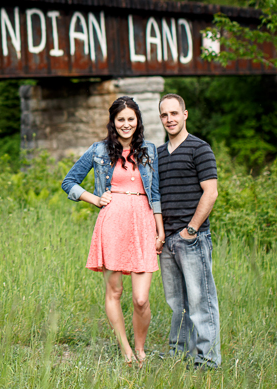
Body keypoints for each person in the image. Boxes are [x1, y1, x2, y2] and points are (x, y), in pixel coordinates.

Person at [62, 96, 165, 367]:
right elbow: (68, 181)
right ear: (113, 122)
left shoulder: (150, 151)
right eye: (121, 119)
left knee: (141, 299)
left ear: (138, 121)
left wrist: (160, 230)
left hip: (142, 222)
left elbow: (155, 194)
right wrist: (94, 199)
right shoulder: (98, 150)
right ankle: (126, 350)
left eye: (131, 119)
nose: (126, 124)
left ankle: (141, 348)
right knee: (115, 292)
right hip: (112, 222)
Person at [157, 93, 221, 369]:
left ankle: (207, 360)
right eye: (164, 115)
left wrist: (191, 229)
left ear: (185, 114)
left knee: (200, 301)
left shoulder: (200, 148)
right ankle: (178, 353)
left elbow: (211, 192)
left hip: (192, 238)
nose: (169, 119)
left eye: (174, 113)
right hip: (168, 239)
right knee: (176, 303)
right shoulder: (158, 154)